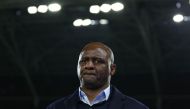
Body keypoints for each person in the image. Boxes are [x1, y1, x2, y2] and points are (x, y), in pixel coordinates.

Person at [47, 42, 149, 109]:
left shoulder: (136, 107)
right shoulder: (55, 107)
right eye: (83, 61)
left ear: (112, 69)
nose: (89, 65)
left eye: (98, 61)